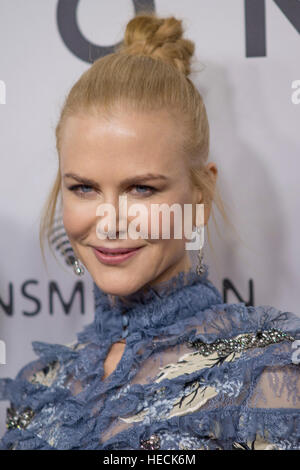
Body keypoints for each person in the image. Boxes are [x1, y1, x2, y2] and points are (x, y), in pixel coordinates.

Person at [0, 12, 299, 451]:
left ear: (202, 193)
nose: (110, 220)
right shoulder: (39, 386)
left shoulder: (266, 371)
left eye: (141, 188)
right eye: (84, 187)